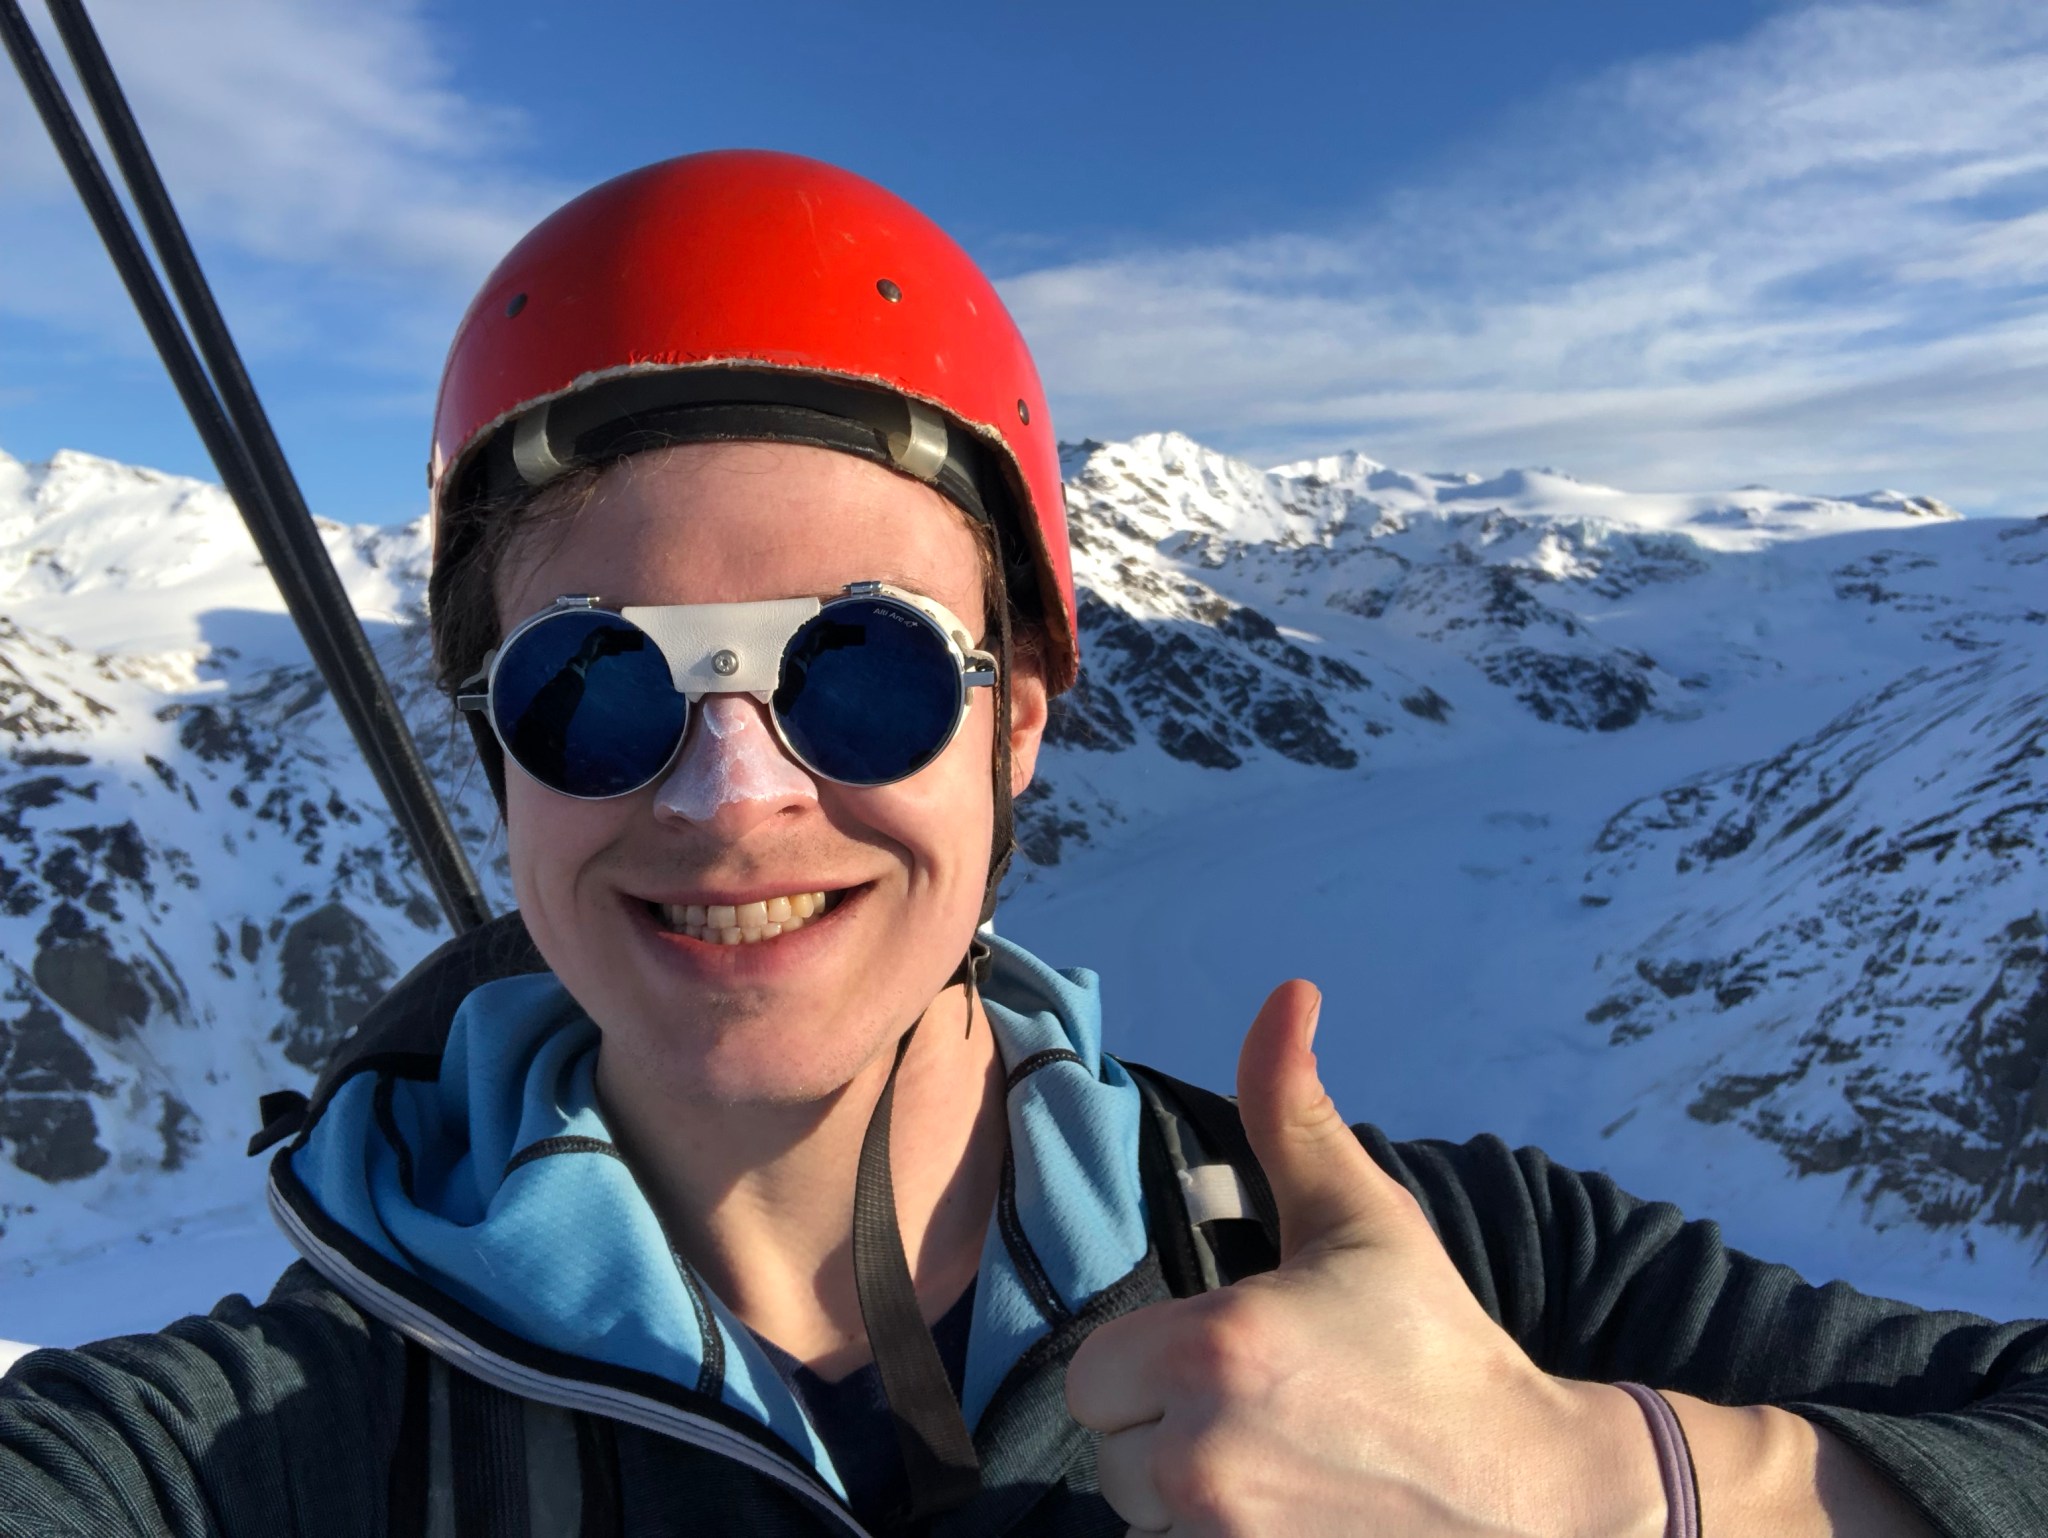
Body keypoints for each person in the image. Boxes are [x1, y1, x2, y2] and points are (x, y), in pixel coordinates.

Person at [3, 149, 2045, 1538]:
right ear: (499, 753)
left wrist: (1606, 1487)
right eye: (599, 686)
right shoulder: (269, 1446)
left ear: (1018, 723)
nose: (729, 795)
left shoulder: (1451, 1276)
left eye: (863, 671)